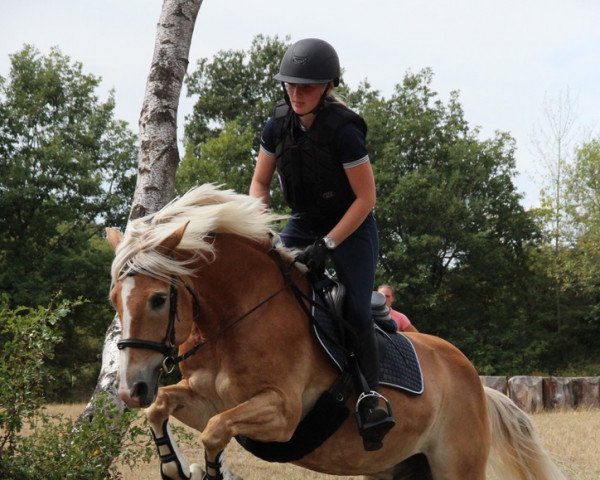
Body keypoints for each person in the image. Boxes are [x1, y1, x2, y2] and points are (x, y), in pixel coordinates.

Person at [249, 38, 394, 450]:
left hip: (351, 226)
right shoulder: (276, 126)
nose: (297, 94)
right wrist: (262, 227)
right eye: (291, 85)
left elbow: (367, 199)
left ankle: (371, 397)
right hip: (303, 222)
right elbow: (260, 183)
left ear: (327, 87)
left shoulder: (345, 132)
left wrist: (328, 244)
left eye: (307, 87)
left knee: (353, 307)